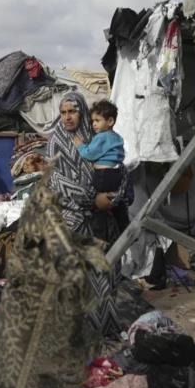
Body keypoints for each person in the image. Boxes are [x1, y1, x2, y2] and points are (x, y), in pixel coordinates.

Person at [46, 91, 133, 336]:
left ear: (82, 111)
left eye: (72, 111)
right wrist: (91, 199)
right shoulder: (56, 142)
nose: (67, 117)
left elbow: (120, 170)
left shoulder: (97, 135)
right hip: (73, 221)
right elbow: (55, 181)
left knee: (104, 276)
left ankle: (104, 329)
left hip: (103, 222)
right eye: (63, 113)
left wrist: (113, 198)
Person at [73, 99, 129, 233]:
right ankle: (125, 227)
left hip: (103, 176)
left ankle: (99, 231)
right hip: (115, 175)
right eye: (92, 121)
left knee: (98, 205)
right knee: (116, 204)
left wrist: (80, 146)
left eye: (97, 121)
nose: (94, 125)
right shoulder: (117, 137)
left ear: (110, 121)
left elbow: (90, 154)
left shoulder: (102, 137)